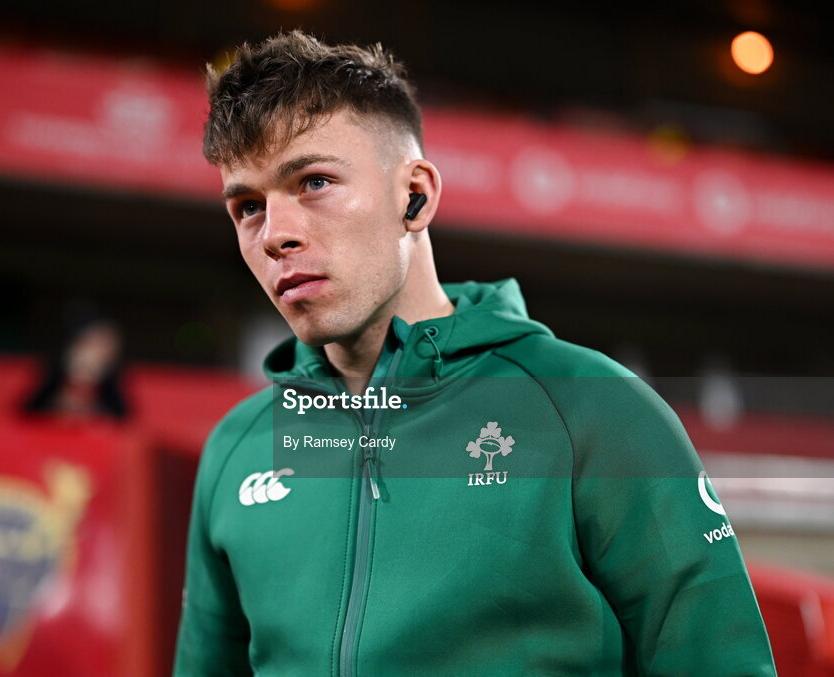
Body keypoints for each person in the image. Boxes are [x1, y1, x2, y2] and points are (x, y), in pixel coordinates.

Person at [174, 31, 775, 676]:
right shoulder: (237, 449)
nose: (275, 235)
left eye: (315, 182)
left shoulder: (593, 411)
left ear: (416, 195)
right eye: (249, 207)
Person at [22, 316, 129, 421]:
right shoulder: (55, 371)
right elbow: (30, 410)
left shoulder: (113, 379)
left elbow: (120, 416)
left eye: (106, 346)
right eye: (93, 343)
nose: (97, 352)